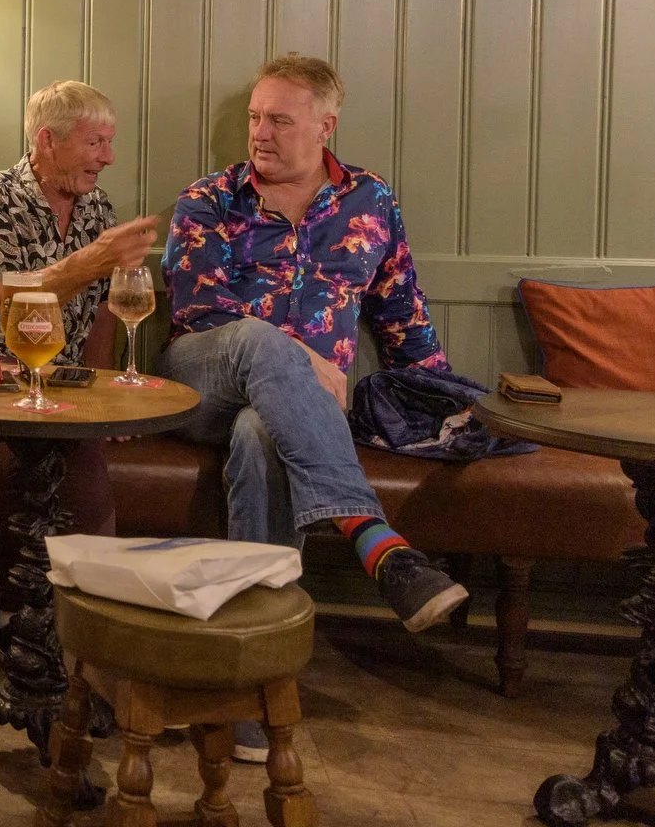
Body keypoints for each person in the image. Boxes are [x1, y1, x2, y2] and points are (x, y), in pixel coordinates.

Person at [162, 54, 469, 755]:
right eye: (253, 118)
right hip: (200, 375)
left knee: (259, 433)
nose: (259, 134)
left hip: (282, 415)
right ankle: (376, 542)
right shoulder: (208, 199)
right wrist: (305, 362)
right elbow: (202, 309)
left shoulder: (371, 202)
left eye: (279, 120)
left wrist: (444, 405)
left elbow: (404, 321)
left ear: (326, 125)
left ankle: (251, 690)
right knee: (261, 351)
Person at [0, 80, 160, 532]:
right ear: (47, 140)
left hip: (56, 374)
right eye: (95, 142)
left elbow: (100, 312)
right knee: (34, 429)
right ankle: (51, 588)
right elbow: (7, 302)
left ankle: (69, 589)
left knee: (76, 433)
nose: (108, 157)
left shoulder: (98, 208)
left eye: (109, 143)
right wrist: (91, 260)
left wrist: (102, 395)